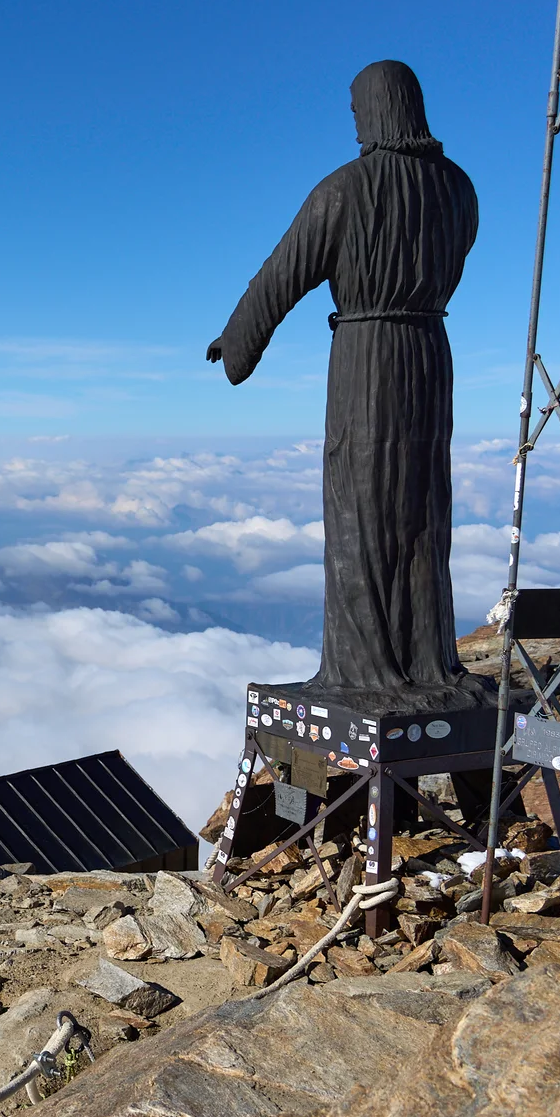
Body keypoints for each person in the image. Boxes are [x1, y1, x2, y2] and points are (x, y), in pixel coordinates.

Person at [208, 60, 491, 712]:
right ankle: (426, 660)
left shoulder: (346, 187)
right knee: (423, 514)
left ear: (378, 107)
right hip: (430, 356)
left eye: (359, 108)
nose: (357, 121)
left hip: (367, 359)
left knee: (359, 509)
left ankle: (363, 672)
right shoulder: (458, 188)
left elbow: (283, 273)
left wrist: (237, 343)